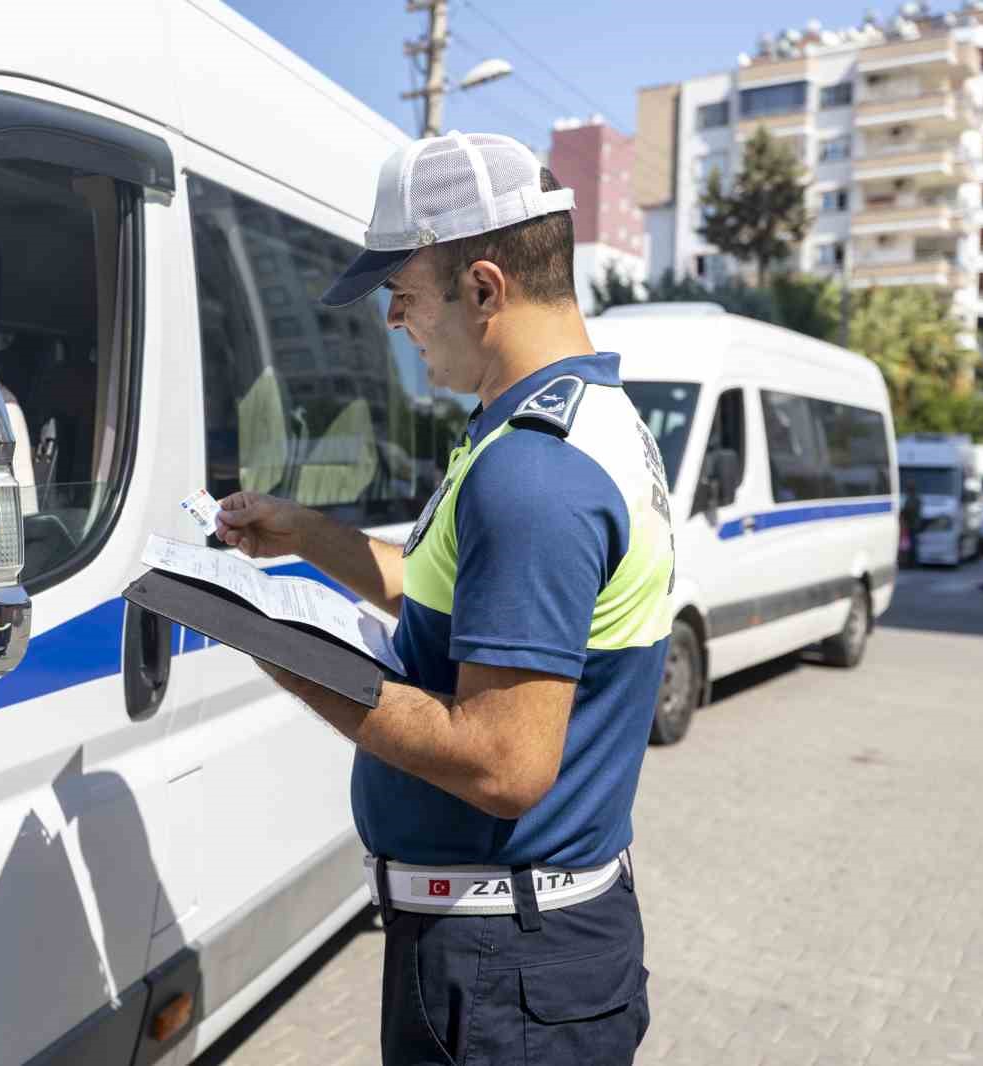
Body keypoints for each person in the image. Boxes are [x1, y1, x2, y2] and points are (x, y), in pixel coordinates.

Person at [215, 132, 671, 1065]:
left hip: (503, 974)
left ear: (485, 289)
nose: (392, 321)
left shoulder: (533, 474)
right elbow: (457, 601)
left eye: (404, 294)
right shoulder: (573, 421)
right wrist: (307, 535)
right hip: (525, 955)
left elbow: (505, 764)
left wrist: (280, 650)